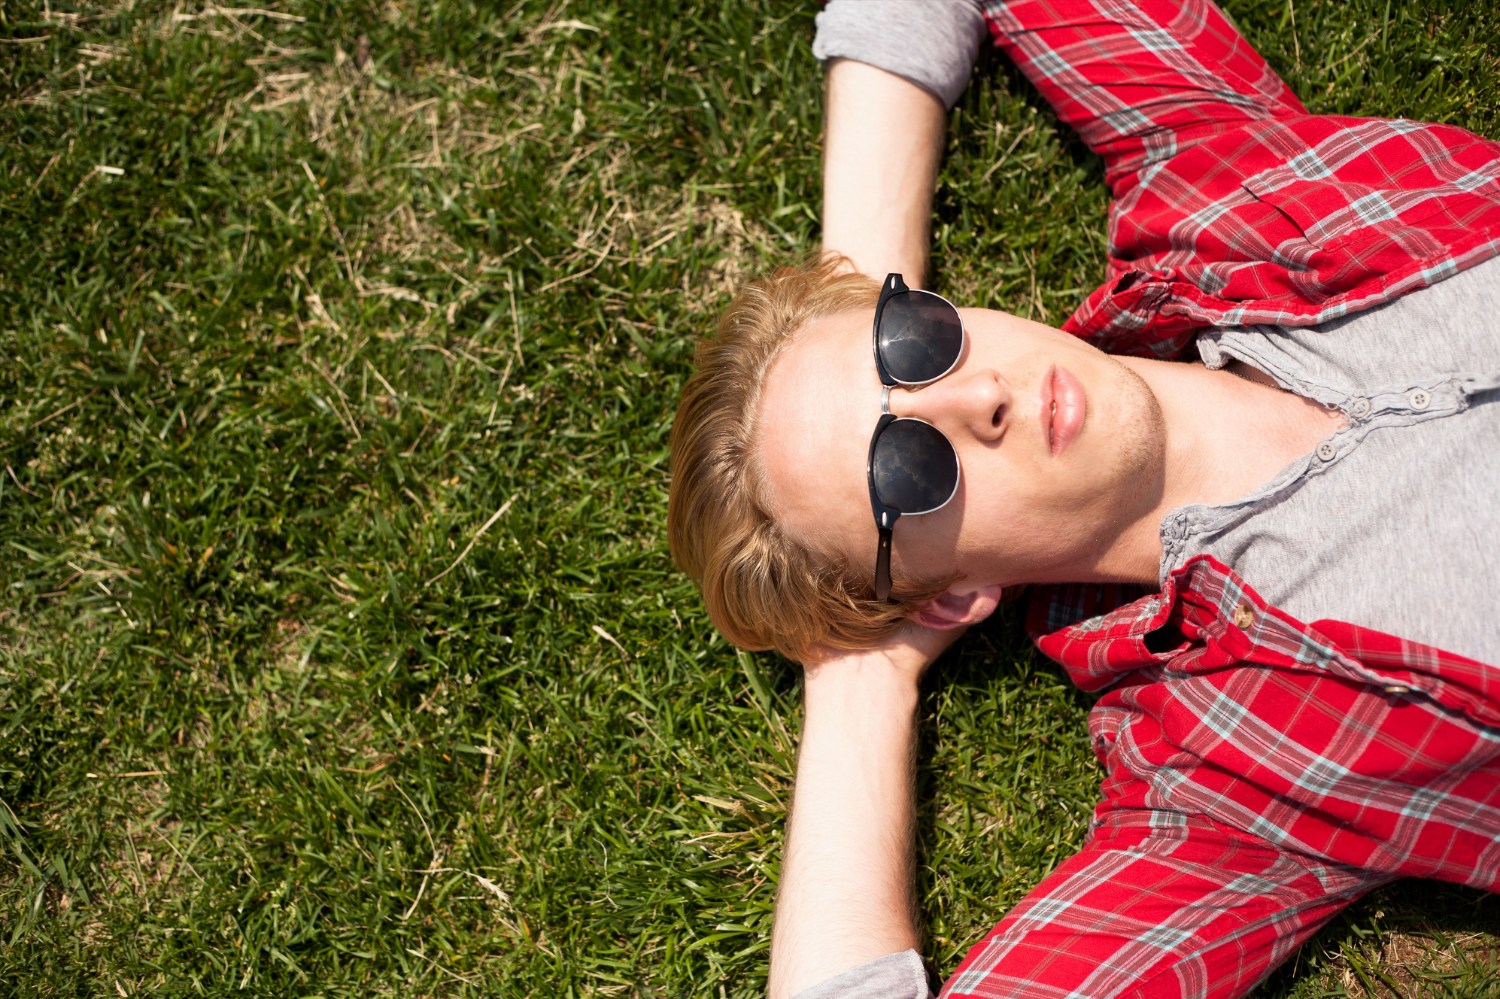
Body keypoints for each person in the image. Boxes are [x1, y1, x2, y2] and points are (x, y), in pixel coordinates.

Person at [667, 2, 1500, 998]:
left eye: (916, 342)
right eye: (904, 470)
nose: (977, 397)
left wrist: (855, 287)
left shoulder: (1219, 186)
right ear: (948, 598)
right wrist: (860, 678)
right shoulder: (1233, 778)